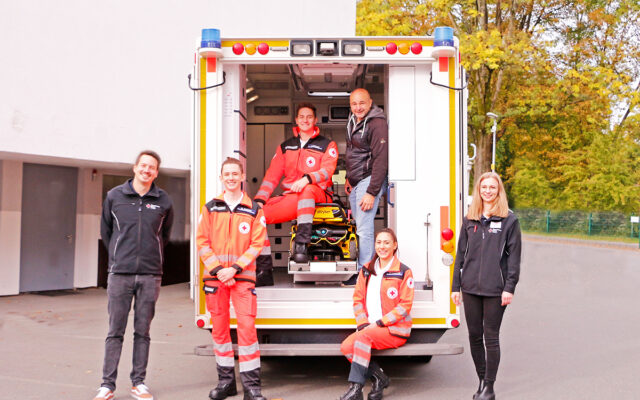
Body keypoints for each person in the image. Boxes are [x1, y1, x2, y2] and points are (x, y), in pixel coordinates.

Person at [94, 150, 174, 400]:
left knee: (143, 331)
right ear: (135, 168)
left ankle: (138, 382)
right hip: (120, 274)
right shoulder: (114, 196)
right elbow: (107, 232)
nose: (147, 170)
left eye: (152, 167)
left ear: (156, 172)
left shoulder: (163, 201)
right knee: (115, 330)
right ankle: (107, 385)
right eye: (143, 166)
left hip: (151, 275)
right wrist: (120, 256)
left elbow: (164, 236)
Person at [196, 157, 268, 400]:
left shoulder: (254, 210)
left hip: (242, 279)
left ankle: (251, 388)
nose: (230, 178)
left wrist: (235, 268)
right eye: (226, 174)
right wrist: (218, 270)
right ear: (221, 177)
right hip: (216, 280)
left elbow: (257, 244)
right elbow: (201, 241)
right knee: (219, 332)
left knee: (247, 331)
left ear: (241, 177)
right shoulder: (209, 208)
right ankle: (226, 383)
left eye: (234, 174)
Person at [451, 171, 522, 400]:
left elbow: (514, 258)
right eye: (484, 187)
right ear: (479, 191)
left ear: (498, 190)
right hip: (470, 287)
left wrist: (509, 287)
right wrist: (455, 286)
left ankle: (489, 387)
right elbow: (460, 253)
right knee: (473, 335)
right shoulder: (470, 218)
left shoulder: (509, 220)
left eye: (492, 187)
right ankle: (482, 380)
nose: (488, 191)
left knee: (490, 337)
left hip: (495, 289)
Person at [254, 102, 338, 268]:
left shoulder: (327, 145)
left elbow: (328, 170)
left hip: (319, 194)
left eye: (309, 117)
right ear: (296, 120)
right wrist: (260, 200)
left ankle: (301, 245)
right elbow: (272, 176)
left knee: (307, 190)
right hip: (292, 198)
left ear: (315, 120)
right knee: (257, 215)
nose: (305, 120)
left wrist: (307, 178)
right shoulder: (285, 147)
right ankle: (264, 268)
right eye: (301, 117)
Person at [339, 228, 414, 400]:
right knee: (346, 347)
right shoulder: (366, 270)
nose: (382, 246)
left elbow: (405, 306)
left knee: (362, 338)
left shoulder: (403, 271)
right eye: (379, 242)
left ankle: (355, 389)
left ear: (395, 245)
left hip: (394, 330)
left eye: (387, 242)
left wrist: (380, 323)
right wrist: (364, 324)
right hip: (369, 329)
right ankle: (379, 378)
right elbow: (357, 299)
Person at [342, 88, 388, 286]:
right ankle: (363, 269)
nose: (358, 107)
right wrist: (348, 178)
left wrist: (371, 191)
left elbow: (381, 159)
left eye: (362, 103)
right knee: (359, 226)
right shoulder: (354, 121)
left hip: (368, 180)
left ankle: (365, 273)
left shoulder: (376, 123)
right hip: (356, 181)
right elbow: (352, 152)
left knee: (364, 229)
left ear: (370, 103)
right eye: (354, 104)